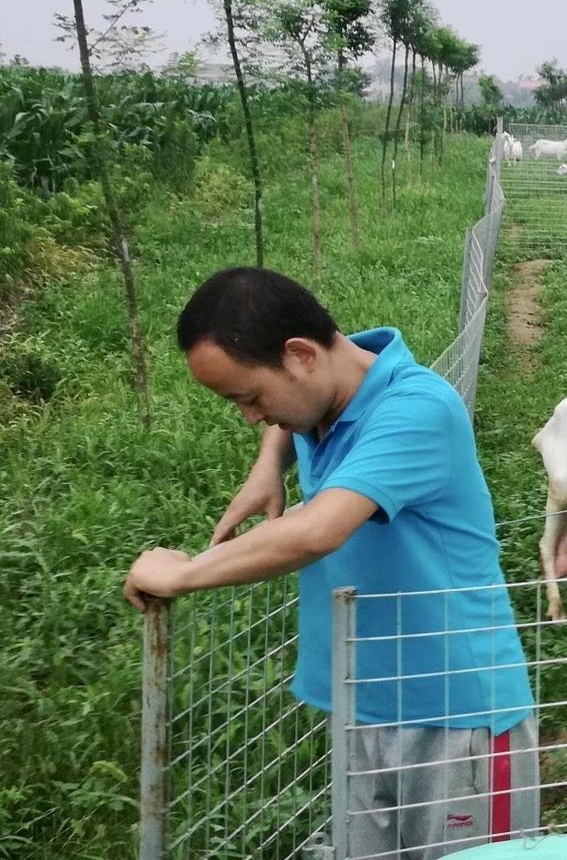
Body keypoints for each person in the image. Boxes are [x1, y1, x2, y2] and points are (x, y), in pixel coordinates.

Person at [123, 267, 538, 855]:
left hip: (456, 718)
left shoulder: (419, 409)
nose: (249, 417)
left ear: (299, 355)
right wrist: (269, 461)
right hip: (361, 702)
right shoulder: (325, 397)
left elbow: (316, 532)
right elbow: (306, 412)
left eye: (249, 397)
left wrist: (183, 573)